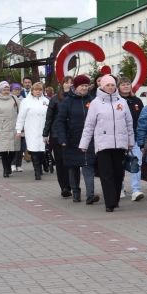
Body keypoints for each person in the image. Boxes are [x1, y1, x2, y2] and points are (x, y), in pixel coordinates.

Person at [79, 74, 133, 212]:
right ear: (102, 87)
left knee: (118, 173)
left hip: (120, 144)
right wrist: (84, 144)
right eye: (107, 85)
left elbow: (129, 124)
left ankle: (115, 199)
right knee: (106, 173)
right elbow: (89, 125)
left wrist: (130, 141)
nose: (110, 88)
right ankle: (109, 203)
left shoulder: (122, 102)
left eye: (112, 85)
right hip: (103, 144)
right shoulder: (96, 103)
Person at [53, 74, 99, 204]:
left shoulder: (93, 100)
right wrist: (62, 138)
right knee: (73, 168)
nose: (84, 88)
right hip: (71, 139)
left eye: (86, 85)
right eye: (82, 86)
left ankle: (90, 195)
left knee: (88, 166)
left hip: (90, 140)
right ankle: (76, 193)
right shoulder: (67, 101)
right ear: (76, 87)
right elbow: (60, 121)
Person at [44, 77, 73, 197]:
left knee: (71, 162)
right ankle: (64, 187)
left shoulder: (75, 98)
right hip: (57, 134)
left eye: (72, 83)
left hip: (72, 134)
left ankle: (72, 185)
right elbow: (49, 117)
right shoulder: (55, 99)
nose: (69, 85)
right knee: (60, 162)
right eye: (67, 82)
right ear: (62, 84)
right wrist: (45, 133)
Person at [15, 81, 50, 179]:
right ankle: (37, 172)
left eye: (40, 90)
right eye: (36, 90)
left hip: (44, 130)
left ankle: (44, 165)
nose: (38, 92)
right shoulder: (26, 101)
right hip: (31, 129)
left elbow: (50, 116)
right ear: (32, 90)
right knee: (34, 151)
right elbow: (21, 116)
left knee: (42, 150)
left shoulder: (46, 101)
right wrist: (18, 130)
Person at [0, 81, 20, 178]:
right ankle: (6, 169)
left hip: (14, 128)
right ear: (0, 90)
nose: (6, 90)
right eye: (4, 89)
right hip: (2, 129)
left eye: (7, 89)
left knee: (13, 150)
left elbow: (21, 112)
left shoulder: (14, 98)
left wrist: (21, 127)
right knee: (3, 151)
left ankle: (8, 166)